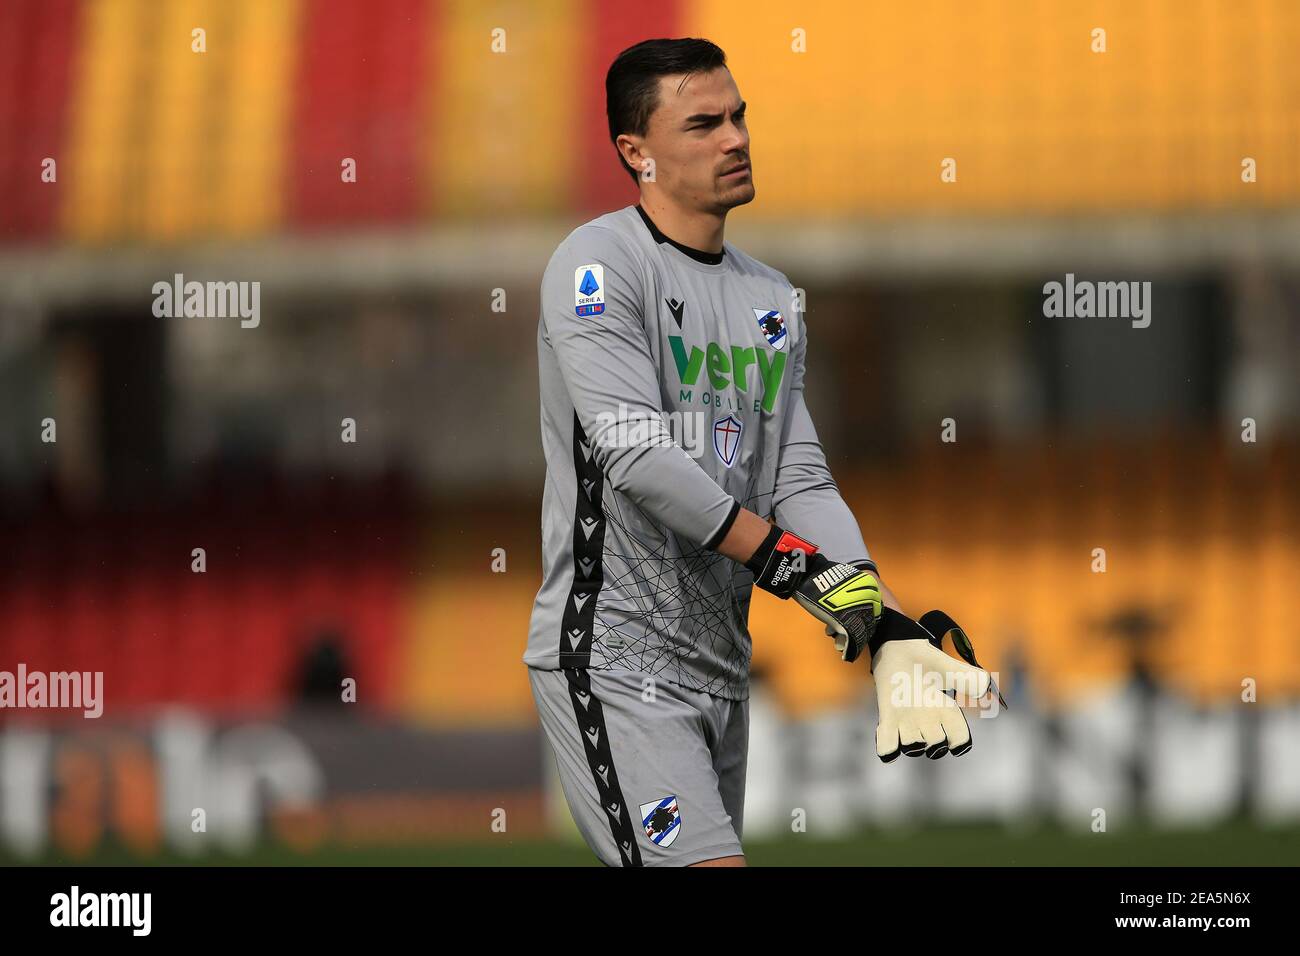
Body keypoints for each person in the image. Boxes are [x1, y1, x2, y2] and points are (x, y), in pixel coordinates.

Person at [524, 37, 990, 867]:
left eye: (739, 116)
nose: (735, 138)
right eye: (703, 124)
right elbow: (634, 457)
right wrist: (786, 562)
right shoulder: (595, 265)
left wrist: (878, 619)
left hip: (721, 666)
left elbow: (797, 476)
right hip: (617, 659)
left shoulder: (771, 295)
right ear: (637, 153)